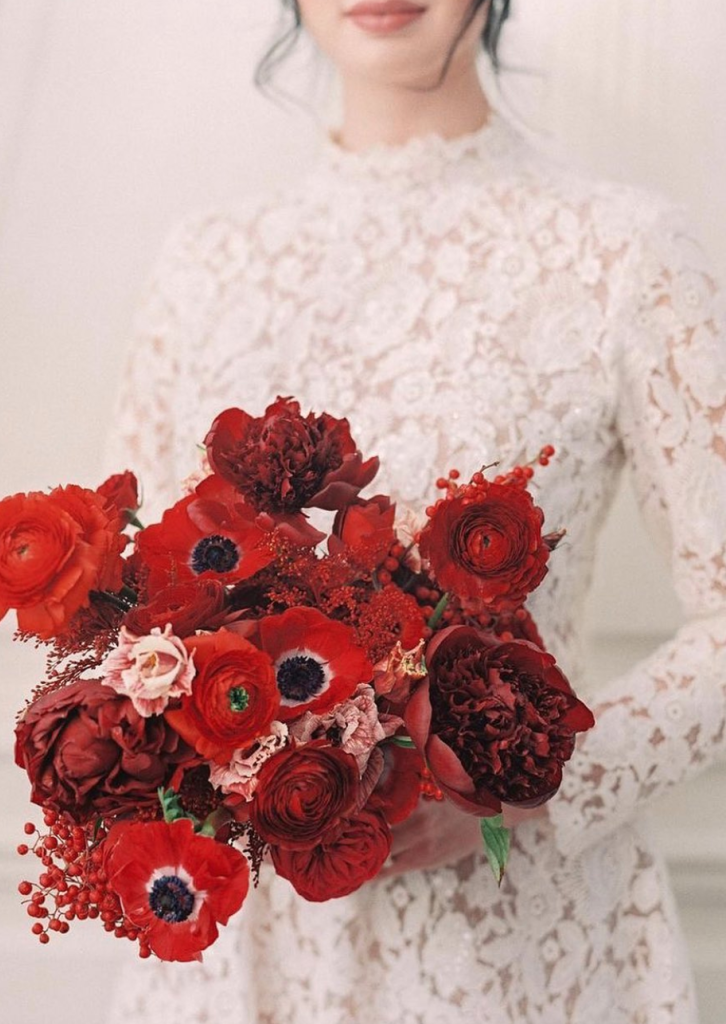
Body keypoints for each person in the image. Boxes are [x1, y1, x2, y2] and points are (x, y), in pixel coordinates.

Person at [105, 2, 726, 1021]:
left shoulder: (622, 247)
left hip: (516, 945)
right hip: (247, 944)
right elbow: (122, 611)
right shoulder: (203, 265)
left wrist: (525, 783)